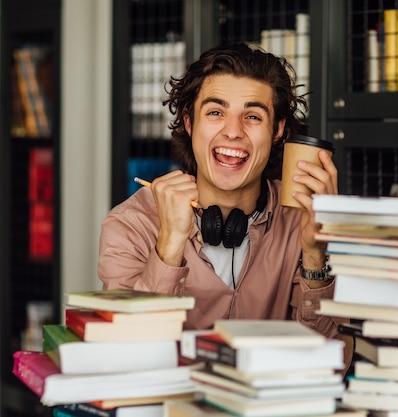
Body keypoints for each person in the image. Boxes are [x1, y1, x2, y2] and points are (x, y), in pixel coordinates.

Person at [98, 43, 342, 339]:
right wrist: (170, 243)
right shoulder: (129, 224)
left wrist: (315, 253)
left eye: (253, 116)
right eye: (215, 112)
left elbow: (321, 353)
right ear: (189, 122)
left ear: (277, 130)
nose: (233, 131)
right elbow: (128, 348)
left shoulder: (300, 220)